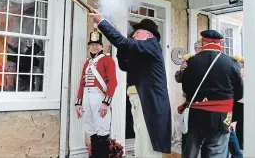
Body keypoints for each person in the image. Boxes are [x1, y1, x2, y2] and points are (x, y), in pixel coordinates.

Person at [89, 9, 172, 157]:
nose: (133, 35)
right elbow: (124, 66)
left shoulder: (152, 44)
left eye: (137, 33)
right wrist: (122, 47)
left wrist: (101, 21)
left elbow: (123, 42)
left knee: (148, 144)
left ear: (149, 35)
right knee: (140, 140)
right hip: (139, 99)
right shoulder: (143, 53)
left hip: (149, 102)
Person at [181, 30, 243, 158]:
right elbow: (240, 93)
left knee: (191, 150)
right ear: (220, 43)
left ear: (203, 42)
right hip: (221, 115)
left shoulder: (191, 62)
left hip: (196, 114)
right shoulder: (232, 63)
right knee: (217, 151)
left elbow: (186, 88)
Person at [75, 28, 118, 158]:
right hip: (87, 97)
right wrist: (79, 103)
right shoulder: (87, 63)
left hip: (99, 97)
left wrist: (106, 102)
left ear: (102, 46)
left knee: (102, 131)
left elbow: (113, 82)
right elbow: (82, 84)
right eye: (92, 45)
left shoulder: (107, 60)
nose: (94, 47)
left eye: (96, 44)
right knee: (91, 130)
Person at [175, 40, 201, 153]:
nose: (203, 49)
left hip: (206, 99)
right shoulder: (189, 60)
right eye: (201, 47)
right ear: (195, 49)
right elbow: (178, 79)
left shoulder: (209, 60)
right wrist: (181, 71)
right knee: (188, 130)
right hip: (190, 100)